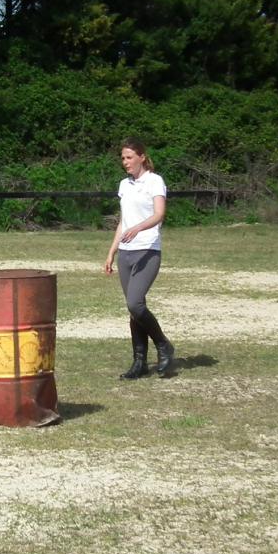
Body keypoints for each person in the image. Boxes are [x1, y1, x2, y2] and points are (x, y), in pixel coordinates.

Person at [104, 139, 175, 379]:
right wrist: (112, 251)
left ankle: (163, 345)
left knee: (135, 303)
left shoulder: (155, 181)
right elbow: (124, 221)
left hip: (148, 250)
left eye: (129, 157)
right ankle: (139, 362)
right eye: (123, 158)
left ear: (142, 157)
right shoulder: (124, 185)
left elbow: (159, 213)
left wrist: (139, 229)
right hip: (126, 253)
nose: (125, 162)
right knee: (134, 311)